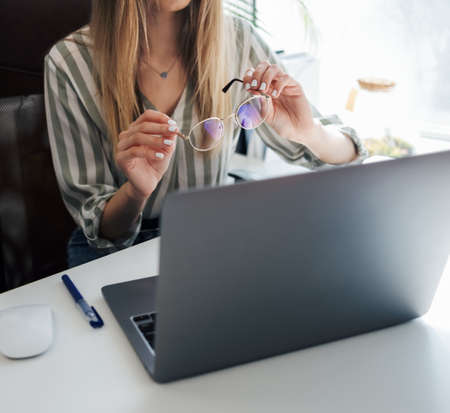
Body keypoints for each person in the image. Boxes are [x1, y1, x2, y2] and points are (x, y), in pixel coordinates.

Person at [44, 0, 367, 268]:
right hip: (113, 254)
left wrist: (309, 132)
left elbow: (344, 157)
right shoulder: (70, 62)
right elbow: (100, 229)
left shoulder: (238, 40)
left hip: (209, 236)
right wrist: (135, 192)